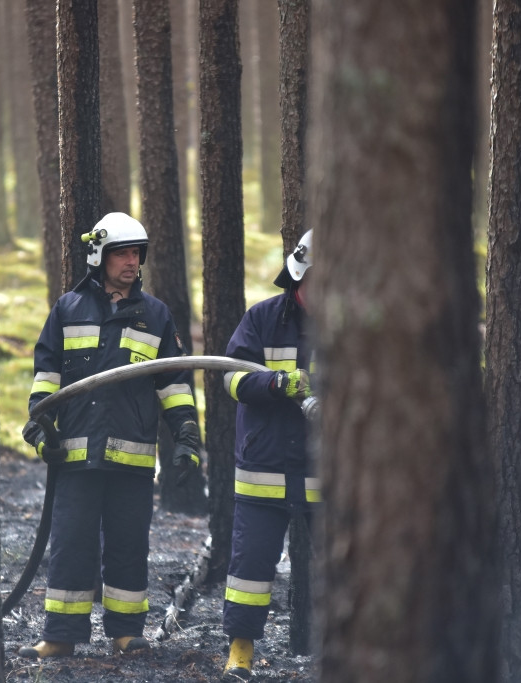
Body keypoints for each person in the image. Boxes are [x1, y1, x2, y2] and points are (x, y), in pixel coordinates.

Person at [19, 212, 202, 659]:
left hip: (133, 460)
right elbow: (47, 379)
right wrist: (40, 429)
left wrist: (187, 436)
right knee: (70, 544)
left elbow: (173, 384)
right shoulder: (67, 309)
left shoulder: (155, 316)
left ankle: (125, 632)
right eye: (122, 252)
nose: (131, 262)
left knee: (127, 546)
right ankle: (60, 635)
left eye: (136, 253)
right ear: (99, 256)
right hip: (75, 457)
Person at [219, 229, 319, 681]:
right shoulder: (260, 319)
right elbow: (232, 380)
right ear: (299, 275)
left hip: (327, 471)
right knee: (250, 571)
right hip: (265, 469)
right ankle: (240, 653)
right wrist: (277, 384)